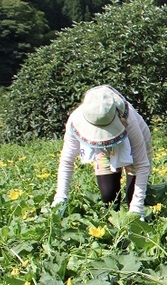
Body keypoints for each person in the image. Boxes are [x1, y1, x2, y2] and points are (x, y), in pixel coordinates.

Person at [52, 85, 153, 216]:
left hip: (134, 148)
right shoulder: (75, 121)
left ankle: (140, 210)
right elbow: (67, 160)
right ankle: (113, 224)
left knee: (132, 197)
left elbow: (142, 165)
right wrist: (61, 196)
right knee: (108, 196)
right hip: (104, 148)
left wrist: (137, 209)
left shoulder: (129, 119)